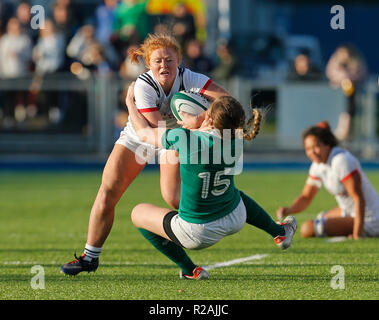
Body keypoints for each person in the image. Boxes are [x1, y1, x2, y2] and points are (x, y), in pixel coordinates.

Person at [60, 33, 233, 276]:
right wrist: (196, 121)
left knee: (173, 198)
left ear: (179, 60)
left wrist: (206, 117)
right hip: (141, 137)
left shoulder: (189, 77)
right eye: (158, 61)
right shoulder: (143, 85)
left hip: (173, 137)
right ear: (149, 64)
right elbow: (156, 129)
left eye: (169, 60)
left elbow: (227, 100)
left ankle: (223, 216)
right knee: (108, 190)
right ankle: (90, 257)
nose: (164, 65)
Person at [124, 83, 297, 279]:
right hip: (236, 217)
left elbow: (144, 133)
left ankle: (190, 269)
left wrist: (130, 103)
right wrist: (198, 123)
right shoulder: (237, 138)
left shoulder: (185, 138)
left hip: (197, 232)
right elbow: (213, 134)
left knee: (137, 213)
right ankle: (278, 232)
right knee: (235, 194)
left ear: (208, 118)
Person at [276, 121, 379, 239]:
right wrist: (289, 210)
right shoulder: (317, 165)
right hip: (348, 212)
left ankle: (362, 229)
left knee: (307, 228)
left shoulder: (341, 160)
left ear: (327, 144)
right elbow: (306, 197)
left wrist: (357, 234)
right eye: (308, 148)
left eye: (316, 146)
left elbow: (358, 198)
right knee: (321, 218)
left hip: (370, 218)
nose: (312, 152)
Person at [326, 44, 367, 142]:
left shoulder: (356, 62)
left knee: (348, 111)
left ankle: (345, 132)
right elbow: (330, 73)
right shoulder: (334, 61)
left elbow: (361, 74)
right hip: (335, 94)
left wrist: (348, 79)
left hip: (351, 95)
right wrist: (343, 76)